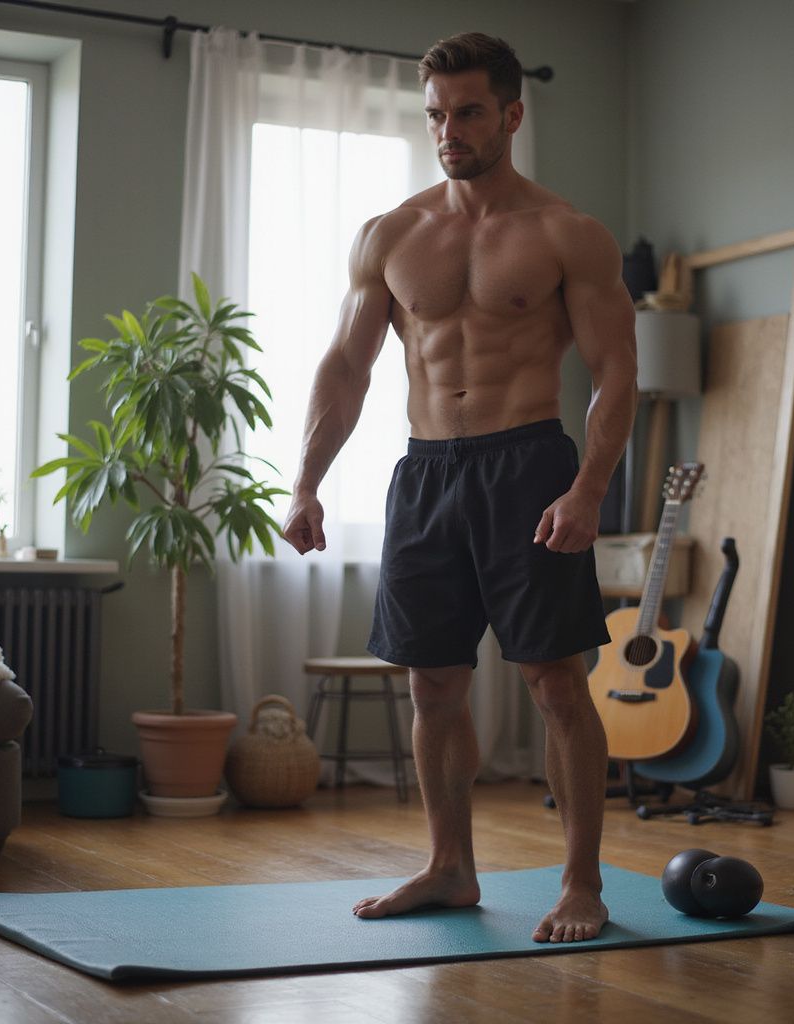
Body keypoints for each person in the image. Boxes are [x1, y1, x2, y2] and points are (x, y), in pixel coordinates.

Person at [282, 31, 637, 944]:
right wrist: (306, 482)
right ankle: (449, 867)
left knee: (555, 685)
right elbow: (346, 367)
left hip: (530, 466)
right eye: (437, 114)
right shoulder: (391, 235)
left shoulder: (567, 234)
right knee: (432, 686)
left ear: (512, 114)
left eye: (469, 111)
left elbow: (615, 373)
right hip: (427, 473)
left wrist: (589, 490)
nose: (450, 130)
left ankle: (582, 883)